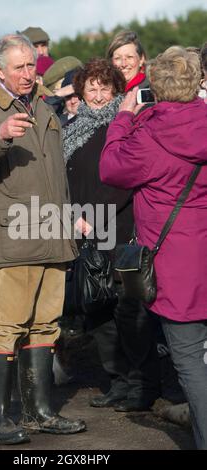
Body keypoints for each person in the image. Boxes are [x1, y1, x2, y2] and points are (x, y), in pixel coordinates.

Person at [0, 33, 86, 445]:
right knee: (7, 325)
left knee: (46, 324)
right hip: (11, 237)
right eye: (19, 67)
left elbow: (55, 176)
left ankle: (39, 412)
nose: (28, 74)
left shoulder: (43, 106)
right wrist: (0, 135)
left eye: (31, 66)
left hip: (51, 233)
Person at [100, 46, 207, 449]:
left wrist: (124, 118)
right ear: (198, 82)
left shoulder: (147, 135)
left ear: (155, 87)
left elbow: (110, 167)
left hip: (177, 269)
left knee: (190, 363)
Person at [63, 58, 160, 411]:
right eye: (92, 87)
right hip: (85, 233)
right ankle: (117, 381)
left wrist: (92, 215)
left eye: (106, 88)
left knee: (128, 311)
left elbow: (127, 177)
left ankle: (143, 384)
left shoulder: (128, 125)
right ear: (81, 91)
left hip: (119, 229)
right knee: (99, 312)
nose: (99, 95)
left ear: (118, 91)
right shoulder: (73, 128)